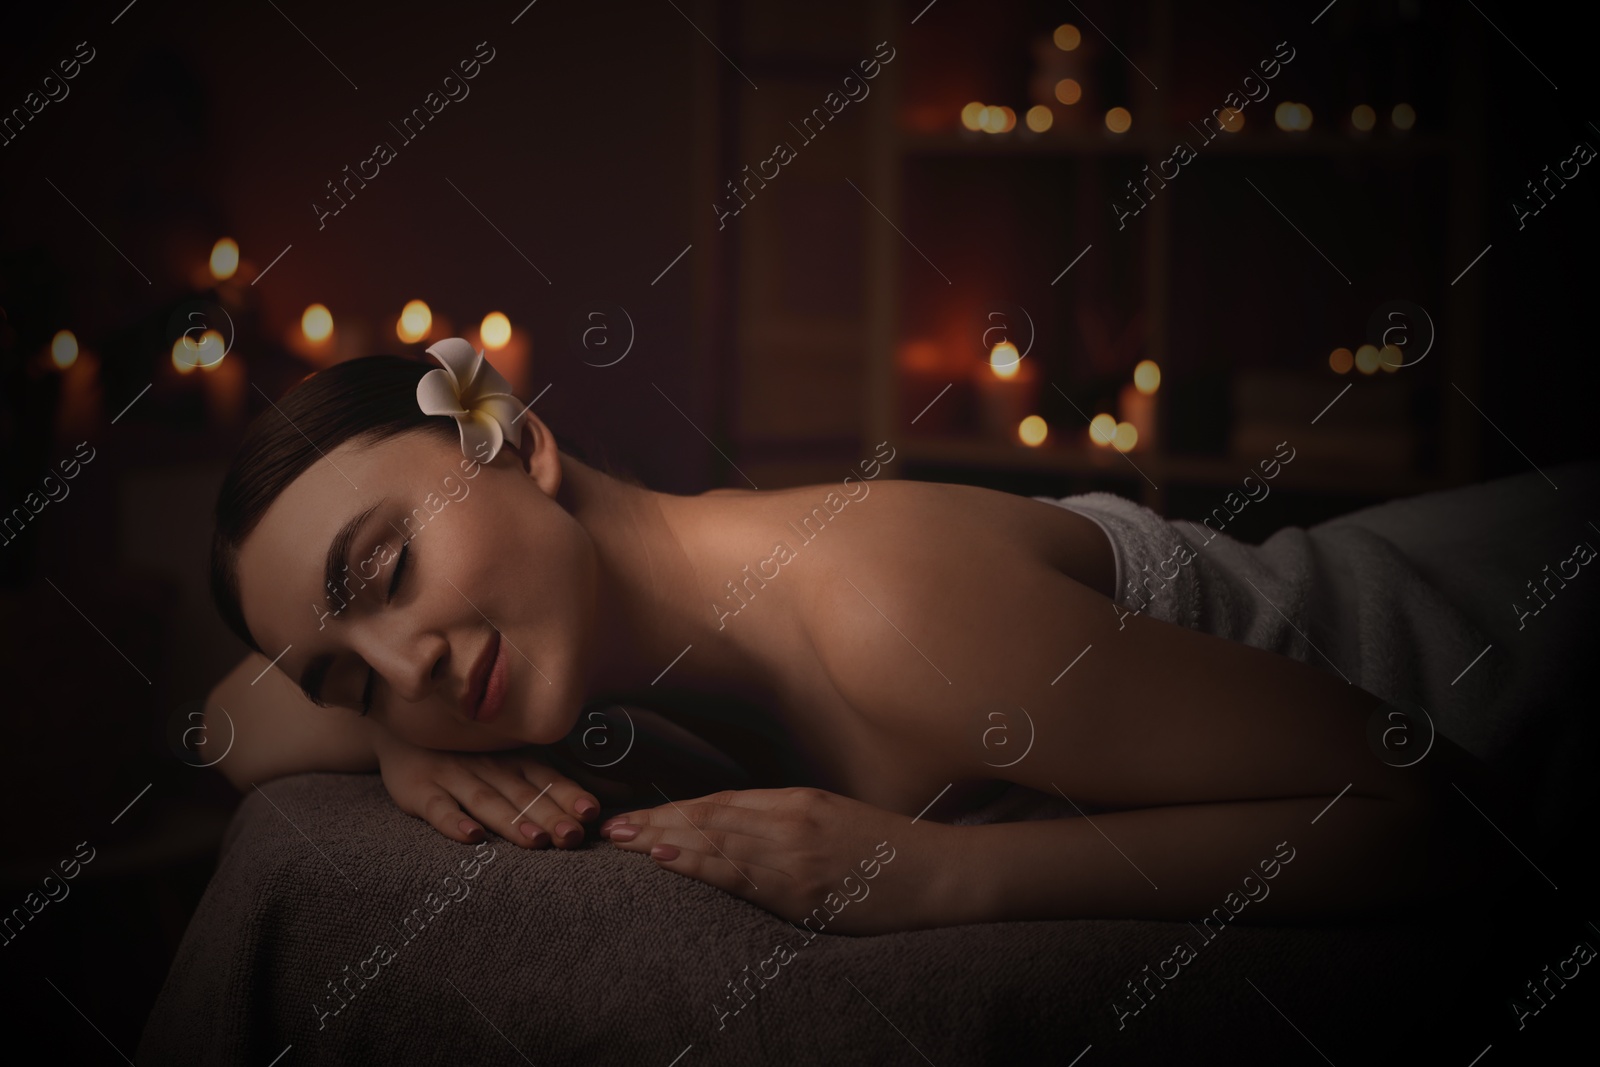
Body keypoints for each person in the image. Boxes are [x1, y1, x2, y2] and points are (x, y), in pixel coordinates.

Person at [205, 340, 1515, 936]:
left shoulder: (881, 615)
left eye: (382, 570)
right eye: (349, 676)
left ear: (522, 444)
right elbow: (226, 722)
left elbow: (1429, 804)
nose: (402, 667)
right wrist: (394, 747)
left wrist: (939, 875)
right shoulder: (531, 660)